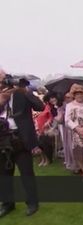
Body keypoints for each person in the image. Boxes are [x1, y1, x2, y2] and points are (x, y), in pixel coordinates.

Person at [0, 70, 45, 218]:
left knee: (26, 173)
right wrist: (2, 100)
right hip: (2, 139)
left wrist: (24, 90)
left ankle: (32, 203)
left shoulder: (21, 92)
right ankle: (7, 204)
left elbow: (40, 106)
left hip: (21, 138)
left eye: (4, 78)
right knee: (4, 174)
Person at [65, 86, 83, 177]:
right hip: (76, 133)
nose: (79, 95)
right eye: (77, 94)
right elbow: (67, 120)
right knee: (79, 154)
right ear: (74, 95)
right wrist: (77, 128)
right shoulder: (70, 105)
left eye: (81, 93)